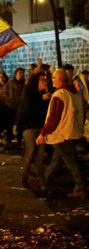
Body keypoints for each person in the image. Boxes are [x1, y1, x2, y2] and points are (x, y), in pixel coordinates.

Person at [34, 69, 86, 198]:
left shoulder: (60, 95)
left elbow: (53, 118)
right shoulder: (75, 93)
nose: (52, 80)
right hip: (71, 132)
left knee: (71, 163)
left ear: (60, 80)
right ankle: (44, 183)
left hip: (64, 134)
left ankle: (81, 188)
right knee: (57, 160)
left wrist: (43, 134)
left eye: (54, 78)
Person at [16, 71, 50, 186]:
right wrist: (42, 99)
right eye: (43, 80)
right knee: (30, 151)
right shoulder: (29, 93)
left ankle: (39, 177)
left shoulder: (44, 93)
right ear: (36, 81)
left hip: (42, 127)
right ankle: (24, 176)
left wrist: (47, 97)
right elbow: (29, 110)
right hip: (30, 127)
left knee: (41, 153)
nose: (45, 82)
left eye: (46, 79)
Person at [5, 67, 25, 147]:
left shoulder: (24, 83)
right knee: (9, 124)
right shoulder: (10, 83)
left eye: (22, 73)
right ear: (16, 74)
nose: (21, 75)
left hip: (20, 107)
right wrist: (8, 102)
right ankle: (9, 141)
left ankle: (19, 140)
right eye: (19, 73)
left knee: (20, 125)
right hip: (10, 107)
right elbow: (5, 93)